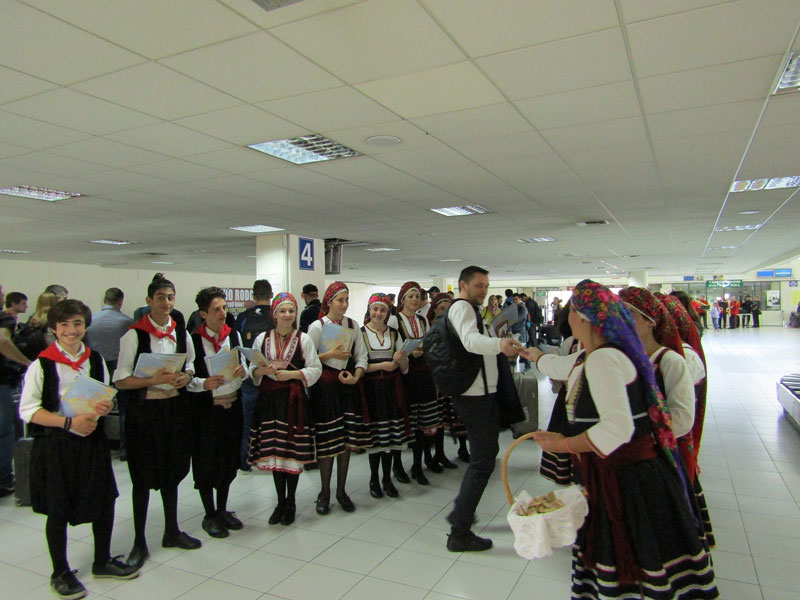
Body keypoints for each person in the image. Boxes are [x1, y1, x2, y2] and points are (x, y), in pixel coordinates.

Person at [523, 280, 718, 599]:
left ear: (582, 317)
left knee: (628, 558)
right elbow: (563, 367)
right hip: (624, 474)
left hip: (624, 479)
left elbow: (617, 429)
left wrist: (564, 445)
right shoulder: (600, 355)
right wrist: (534, 356)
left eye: (570, 311)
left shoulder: (604, 359)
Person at [18, 299, 139, 599]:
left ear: (86, 326)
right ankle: (60, 572)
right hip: (57, 444)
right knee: (58, 508)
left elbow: (106, 395)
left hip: (92, 442)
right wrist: (68, 423)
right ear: (54, 328)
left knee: (104, 500)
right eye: (64, 325)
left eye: (77, 324)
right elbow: (28, 410)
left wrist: (105, 405)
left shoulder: (94, 359)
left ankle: (102, 560)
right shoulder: (41, 365)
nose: (71, 331)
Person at [113, 274, 199, 569]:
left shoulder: (181, 333)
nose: (166, 302)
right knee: (142, 476)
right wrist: (152, 380)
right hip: (144, 414)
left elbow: (191, 365)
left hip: (173, 411)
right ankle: (139, 541)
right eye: (161, 297)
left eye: (170, 297)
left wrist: (185, 376)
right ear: (149, 300)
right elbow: (121, 380)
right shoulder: (134, 336)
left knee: (172, 472)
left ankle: (171, 531)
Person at [446, 266, 522, 552]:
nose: (484, 290)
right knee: (483, 461)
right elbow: (470, 341)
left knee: (485, 457)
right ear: (463, 285)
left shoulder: (472, 310)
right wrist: (499, 343)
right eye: (479, 285)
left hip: (481, 393)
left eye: (487, 286)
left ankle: (460, 514)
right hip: (474, 395)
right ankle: (459, 531)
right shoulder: (462, 308)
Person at [249, 293, 321, 525]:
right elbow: (252, 368)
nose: (287, 315)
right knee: (275, 452)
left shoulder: (304, 339)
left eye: (291, 311)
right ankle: (280, 502)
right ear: (274, 314)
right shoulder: (262, 339)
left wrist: (292, 374)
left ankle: (291, 502)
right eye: (282, 310)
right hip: (269, 402)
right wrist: (260, 371)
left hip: (293, 401)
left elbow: (315, 369)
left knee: (291, 453)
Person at [187, 287, 247, 538]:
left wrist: (243, 370)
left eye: (224, 308)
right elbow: (186, 378)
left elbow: (244, 365)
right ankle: (209, 513)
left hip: (232, 409)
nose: (223, 313)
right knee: (206, 462)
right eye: (216, 310)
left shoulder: (233, 335)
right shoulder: (193, 340)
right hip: (206, 412)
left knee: (228, 460)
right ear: (203, 314)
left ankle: (222, 509)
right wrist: (204, 383)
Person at [307, 282, 369, 514]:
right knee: (327, 443)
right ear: (329, 302)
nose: (344, 305)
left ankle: (341, 491)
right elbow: (307, 359)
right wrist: (329, 354)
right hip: (324, 390)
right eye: (340, 300)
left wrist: (356, 376)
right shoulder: (317, 326)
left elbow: (362, 356)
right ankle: (324, 493)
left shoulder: (353, 325)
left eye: (346, 300)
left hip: (346, 387)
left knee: (345, 443)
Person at [361, 293, 411, 499]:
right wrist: (383, 365)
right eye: (375, 309)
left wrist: (401, 359)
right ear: (369, 310)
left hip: (391, 389)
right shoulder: (361, 333)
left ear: (388, 312)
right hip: (371, 390)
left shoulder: (394, 334)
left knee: (390, 436)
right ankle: (374, 478)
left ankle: (387, 478)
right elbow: (359, 366)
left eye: (382, 310)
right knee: (375, 438)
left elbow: (405, 367)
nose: (378, 313)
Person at [394, 281, 443, 483]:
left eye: (417, 296)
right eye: (410, 296)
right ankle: (398, 466)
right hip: (405, 376)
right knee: (405, 423)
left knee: (423, 423)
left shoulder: (422, 320)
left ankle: (417, 465)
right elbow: (392, 349)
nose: (414, 300)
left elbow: (429, 344)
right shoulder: (395, 320)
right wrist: (407, 353)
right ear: (403, 299)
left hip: (423, 374)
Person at [85, 287, 134, 460]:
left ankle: (95, 444)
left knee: (94, 407)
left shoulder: (91, 320)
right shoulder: (126, 322)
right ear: (120, 302)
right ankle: (125, 448)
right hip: (118, 366)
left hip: (96, 366)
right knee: (124, 409)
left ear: (104, 300)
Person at [234, 279, 274, 472]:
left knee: (248, 421)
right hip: (273, 375)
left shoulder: (243, 318)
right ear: (271, 295)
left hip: (250, 374)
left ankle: (245, 461)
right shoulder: (277, 315)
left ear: (253, 295)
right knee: (272, 420)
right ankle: (269, 458)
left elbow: (237, 346)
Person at [427, 293, 469, 463]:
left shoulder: (456, 326)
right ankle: (439, 453)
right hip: (435, 378)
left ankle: (463, 448)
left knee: (458, 414)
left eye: (448, 309)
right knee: (439, 417)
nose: (444, 312)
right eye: (441, 308)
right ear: (434, 309)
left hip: (453, 377)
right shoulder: (429, 327)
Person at [0, 285, 32, 497]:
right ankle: (4, 480)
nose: (3, 296)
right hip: (3, 381)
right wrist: (27, 363)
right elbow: (3, 341)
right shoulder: (4, 319)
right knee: (5, 432)